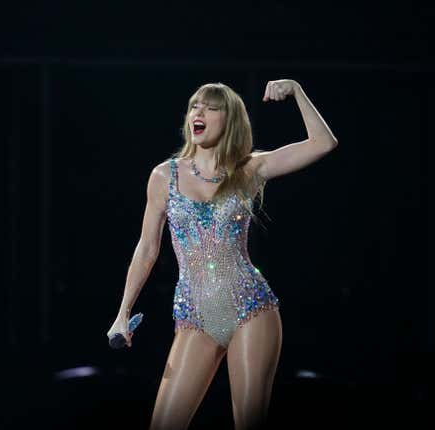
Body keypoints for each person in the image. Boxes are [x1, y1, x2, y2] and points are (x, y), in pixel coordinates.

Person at [106, 79, 338, 430]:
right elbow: (147, 248)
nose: (199, 112)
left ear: (229, 120)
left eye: (211, 107)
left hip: (251, 308)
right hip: (195, 315)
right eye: (195, 106)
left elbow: (324, 143)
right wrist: (122, 313)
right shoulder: (164, 176)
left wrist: (296, 90)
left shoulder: (249, 168)